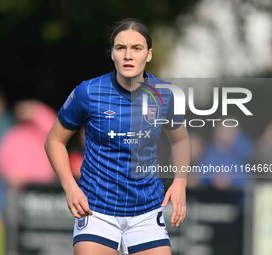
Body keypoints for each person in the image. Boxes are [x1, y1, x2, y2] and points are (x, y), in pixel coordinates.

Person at [45, 18, 190, 255]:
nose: (128, 55)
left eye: (136, 48)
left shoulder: (165, 95)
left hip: (146, 209)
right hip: (96, 209)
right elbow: (54, 141)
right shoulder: (89, 91)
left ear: (149, 54)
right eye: (120, 48)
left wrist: (180, 181)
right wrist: (70, 186)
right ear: (112, 54)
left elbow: (181, 140)